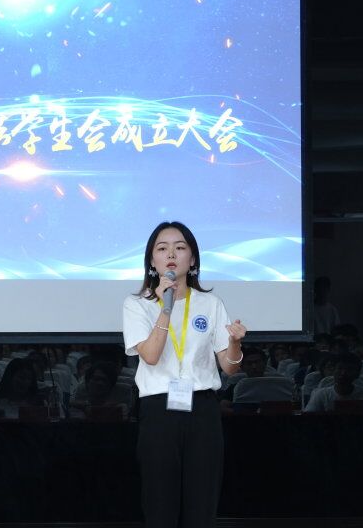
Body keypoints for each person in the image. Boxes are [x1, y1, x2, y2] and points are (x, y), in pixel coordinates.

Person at [122, 221, 246, 528]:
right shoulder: (137, 305)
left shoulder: (210, 303)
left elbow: (229, 367)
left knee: (202, 502)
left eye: (180, 247)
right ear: (152, 261)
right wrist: (165, 307)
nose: (171, 255)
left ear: (192, 260)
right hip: (158, 409)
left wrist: (234, 343)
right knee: (160, 502)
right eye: (162, 249)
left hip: (202, 408)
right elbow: (151, 356)